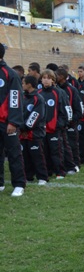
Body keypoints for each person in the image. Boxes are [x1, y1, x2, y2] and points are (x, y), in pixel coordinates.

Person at [0, 42, 26, 196]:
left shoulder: (10, 74)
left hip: (7, 123)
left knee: (14, 153)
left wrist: (13, 122)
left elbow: (15, 99)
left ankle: (19, 184)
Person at [19, 75, 48, 185]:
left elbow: (36, 116)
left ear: (29, 84)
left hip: (35, 133)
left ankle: (42, 177)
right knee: (25, 155)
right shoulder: (23, 97)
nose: (22, 85)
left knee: (37, 156)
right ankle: (29, 176)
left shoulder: (38, 99)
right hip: (22, 133)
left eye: (23, 83)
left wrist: (25, 127)